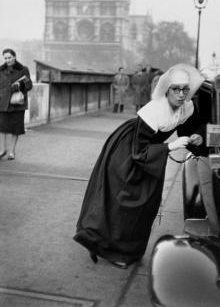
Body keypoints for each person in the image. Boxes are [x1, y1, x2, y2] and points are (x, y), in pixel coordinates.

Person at [73, 63, 204, 269]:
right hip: (129, 150)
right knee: (123, 201)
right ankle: (104, 246)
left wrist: (195, 135)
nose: (181, 94)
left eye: (185, 89)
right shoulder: (155, 110)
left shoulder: (187, 107)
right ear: (166, 89)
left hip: (152, 154)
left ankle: (128, 250)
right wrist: (170, 147)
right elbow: (139, 152)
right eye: (175, 89)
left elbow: (187, 126)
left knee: (146, 204)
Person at [0, 48, 33, 160]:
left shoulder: (23, 69)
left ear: (14, 57)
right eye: (5, 58)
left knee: (16, 128)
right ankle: (2, 150)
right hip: (3, 103)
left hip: (17, 104)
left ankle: (12, 152)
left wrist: (20, 85)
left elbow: (29, 86)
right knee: (2, 127)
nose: (7, 60)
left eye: (9, 57)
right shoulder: (1, 70)